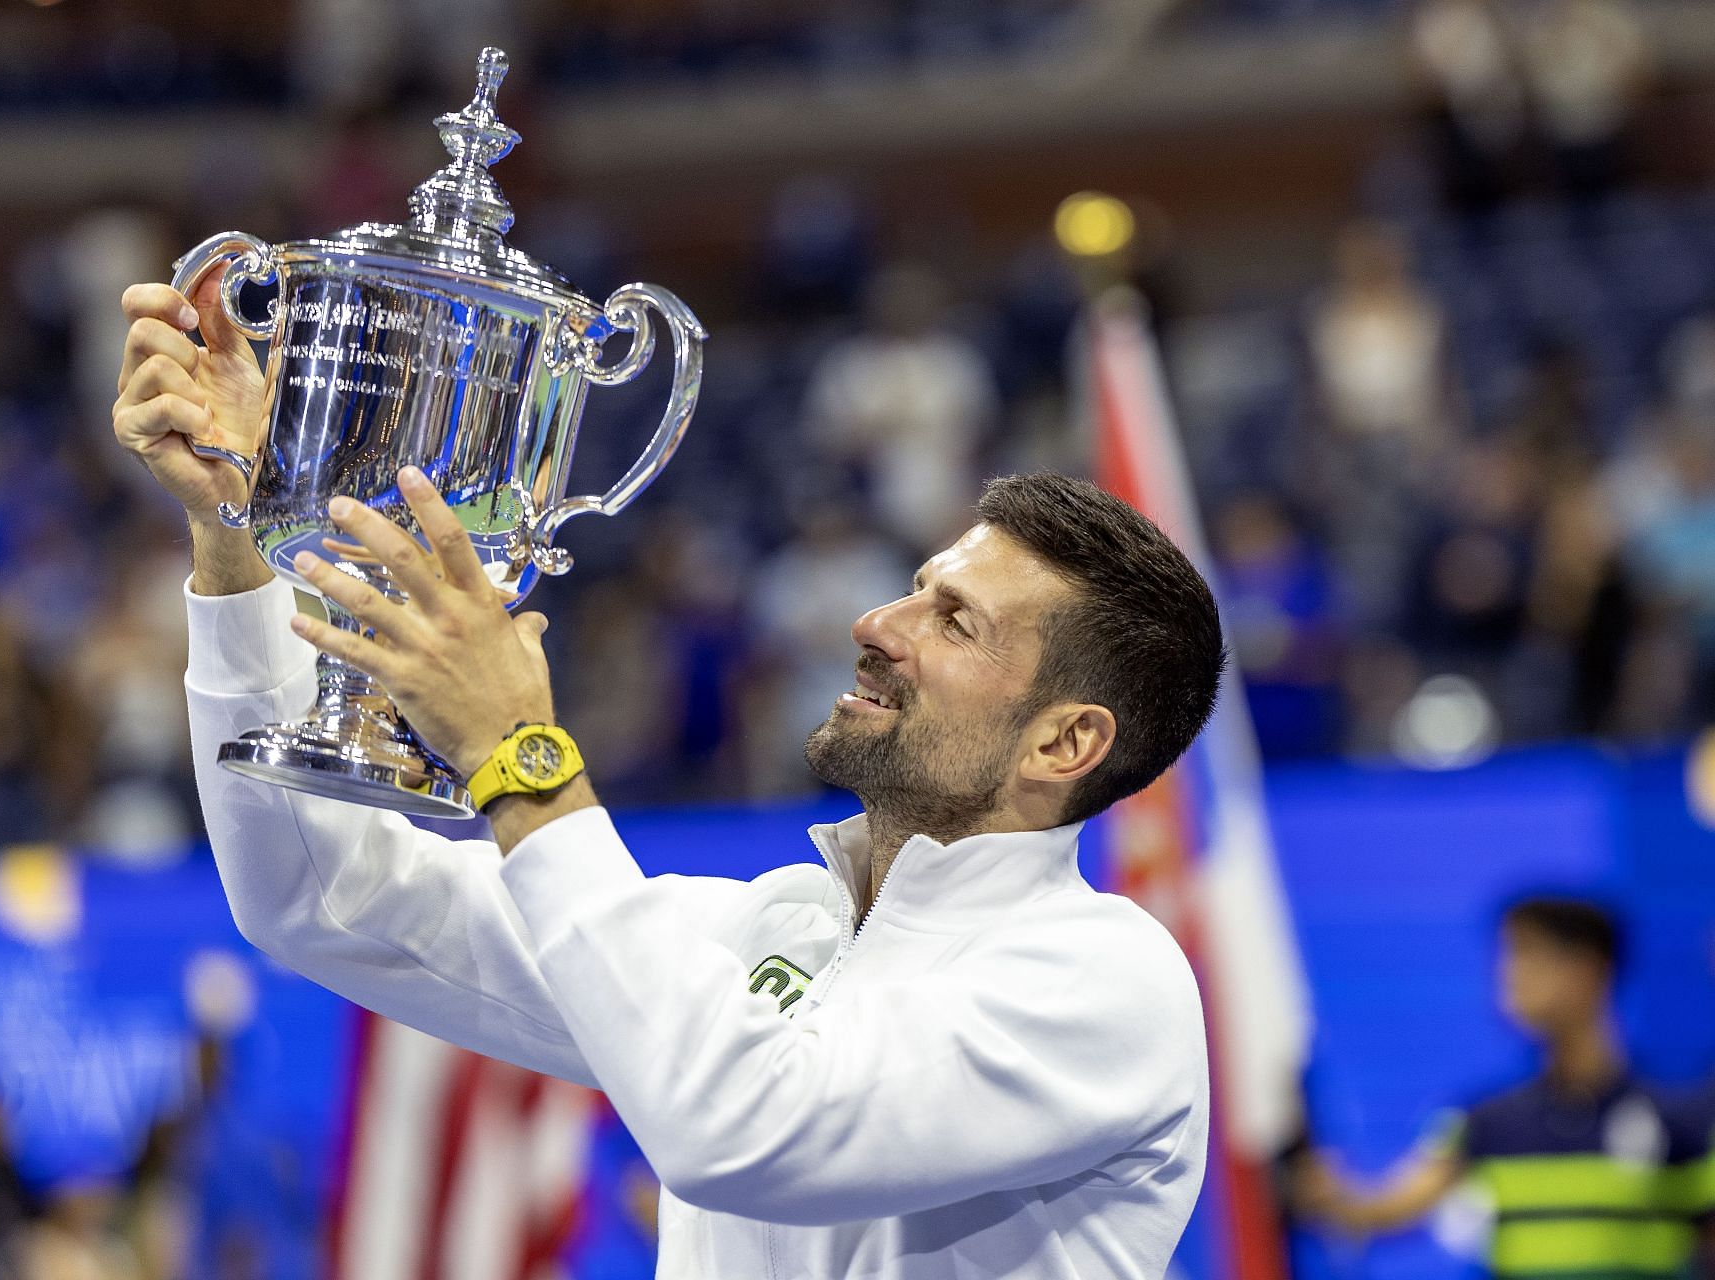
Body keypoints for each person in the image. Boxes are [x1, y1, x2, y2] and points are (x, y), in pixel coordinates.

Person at [112, 278, 1224, 1277]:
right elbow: (317, 896)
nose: (877, 623)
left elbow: (745, 1126)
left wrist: (520, 757)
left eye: (955, 619)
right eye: (914, 586)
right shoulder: (771, 927)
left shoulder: (1104, 980)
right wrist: (233, 536)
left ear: (1064, 743)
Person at [1291, 897, 1709, 1278]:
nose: (1508, 974)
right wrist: (1334, 1198)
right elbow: (1384, 1207)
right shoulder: (1484, 1122)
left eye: (1527, 953)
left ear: (1588, 969)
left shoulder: (1680, 1120)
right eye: (1507, 954)